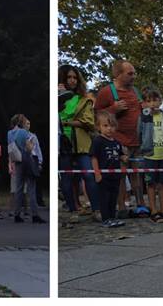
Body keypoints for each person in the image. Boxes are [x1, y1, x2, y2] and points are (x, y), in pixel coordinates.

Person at [93, 60, 146, 216]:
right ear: (117, 75)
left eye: (134, 73)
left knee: (136, 174)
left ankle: (140, 205)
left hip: (136, 140)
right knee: (120, 175)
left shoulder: (135, 91)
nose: (134, 76)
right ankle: (122, 207)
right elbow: (96, 115)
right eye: (130, 73)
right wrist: (113, 109)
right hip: (118, 141)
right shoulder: (106, 92)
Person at [58, 64, 98, 221]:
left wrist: (67, 122)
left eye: (75, 77)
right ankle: (73, 210)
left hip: (81, 143)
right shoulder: (56, 98)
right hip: (63, 143)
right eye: (69, 77)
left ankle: (96, 209)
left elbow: (88, 122)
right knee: (67, 178)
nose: (72, 80)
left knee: (88, 175)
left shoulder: (84, 100)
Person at [135, 87, 163, 221]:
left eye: (155, 100)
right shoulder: (144, 117)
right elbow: (139, 133)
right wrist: (143, 147)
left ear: (160, 101)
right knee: (151, 184)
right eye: (148, 101)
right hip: (150, 154)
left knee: (162, 184)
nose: (152, 104)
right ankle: (153, 209)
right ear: (144, 103)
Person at [90, 111, 125, 228]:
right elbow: (94, 158)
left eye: (112, 126)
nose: (109, 129)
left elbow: (120, 155)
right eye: (105, 126)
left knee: (113, 197)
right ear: (98, 127)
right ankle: (106, 219)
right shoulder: (98, 141)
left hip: (115, 176)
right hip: (104, 176)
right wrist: (97, 173)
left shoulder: (116, 143)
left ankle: (112, 217)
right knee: (105, 198)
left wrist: (124, 157)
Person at [9, 113, 42, 222]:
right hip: (28, 160)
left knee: (19, 189)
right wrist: (32, 143)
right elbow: (29, 148)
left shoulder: (10, 133)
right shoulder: (24, 132)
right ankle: (35, 215)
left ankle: (17, 214)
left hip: (17, 161)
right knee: (31, 188)